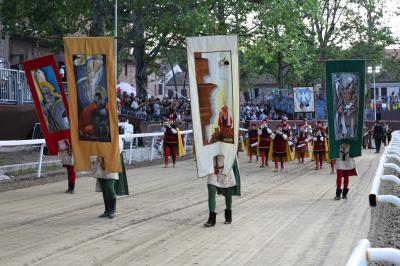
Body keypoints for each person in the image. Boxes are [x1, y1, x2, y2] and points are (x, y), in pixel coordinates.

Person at [95, 137, 129, 218]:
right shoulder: (98, 136)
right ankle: (107, 210)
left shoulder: (116, 137)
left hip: (112, 162)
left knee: (109, 187)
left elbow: (118, 150)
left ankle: (113, 210)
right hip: (100, 163)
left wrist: (106, 158)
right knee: (104, 188)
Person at [204, 155, 240, 227]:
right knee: (211, 191)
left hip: (226, 169)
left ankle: (228, 215)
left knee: (227, 194)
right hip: (213, 170)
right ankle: (211, 219)